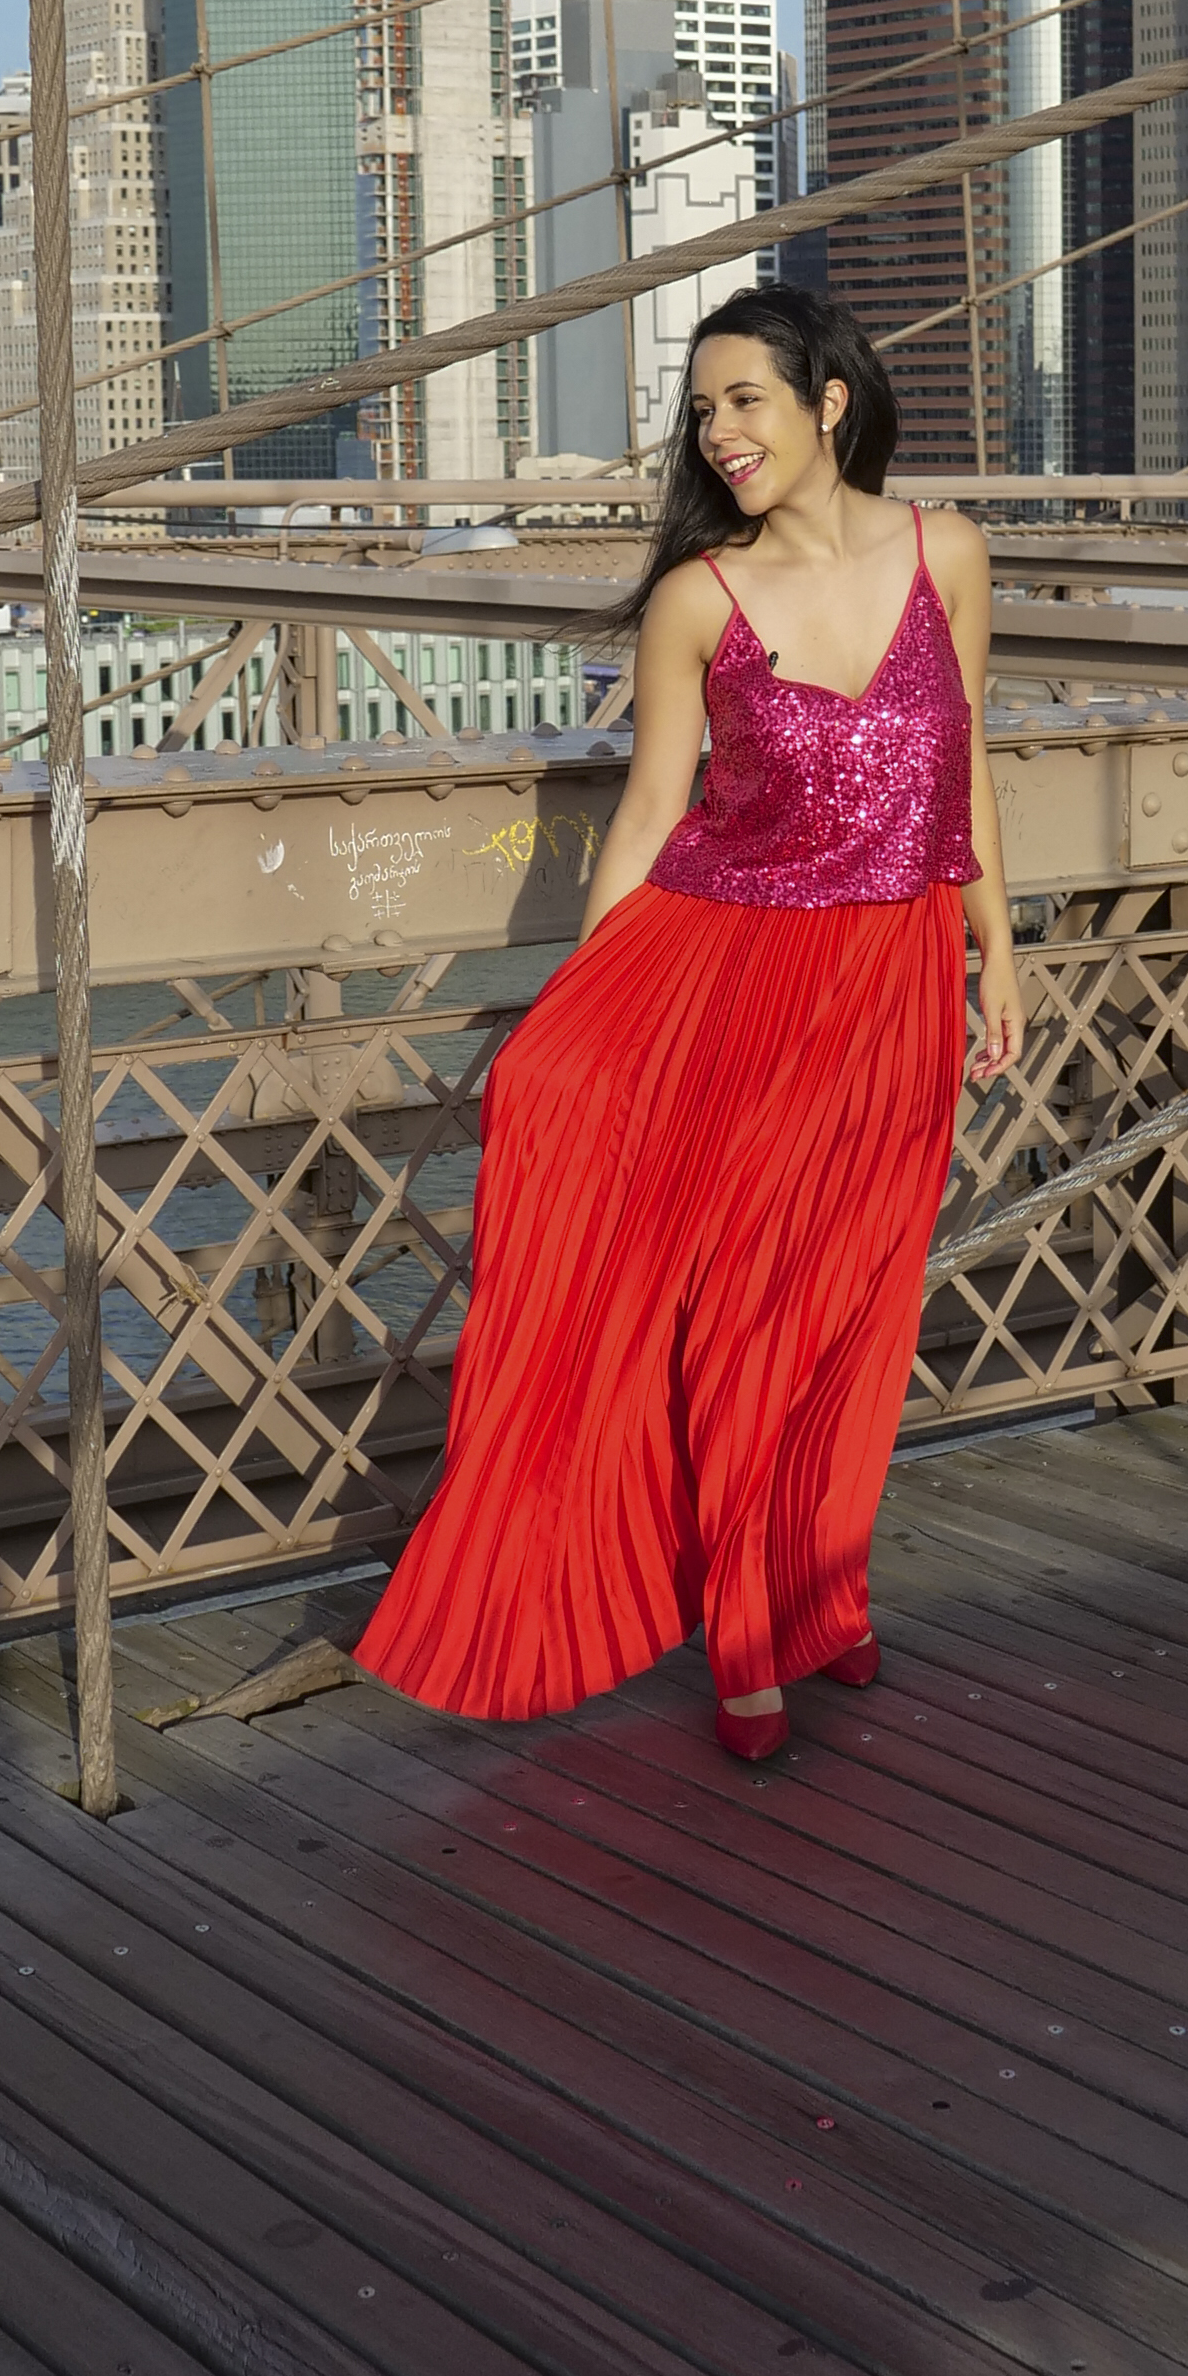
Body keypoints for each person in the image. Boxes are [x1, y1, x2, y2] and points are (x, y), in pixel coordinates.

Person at [350, 282, 1018, 1761]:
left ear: (825, 402)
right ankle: (743, 1635)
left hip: (899, 976)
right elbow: (652, 812)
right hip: (735, 978)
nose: (718, 435)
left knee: (856, 1309)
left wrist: (997, 951)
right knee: (749, 1319)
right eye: (701, 411)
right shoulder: (695, 602)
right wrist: (591, 1007)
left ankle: (817, 1591)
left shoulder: (949, 553)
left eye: (744, 402)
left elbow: (962, 774)